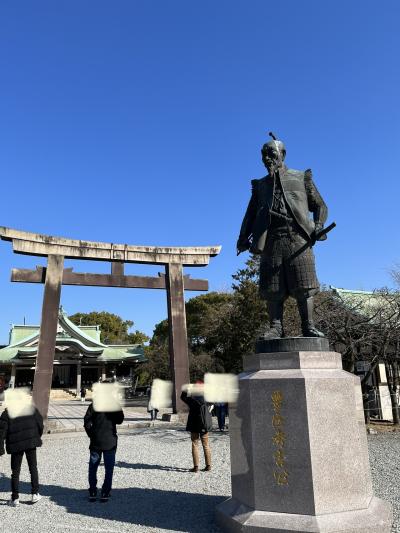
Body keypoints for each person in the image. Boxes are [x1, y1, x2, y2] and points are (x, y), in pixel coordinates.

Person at [237, 132, 328, 338]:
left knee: (304, 284)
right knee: (273, 288)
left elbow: (320, 205)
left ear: (282, 154)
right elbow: (250, 215)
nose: (267, 158)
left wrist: (318, 225)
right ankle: (275, 327)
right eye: (263, 154)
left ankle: (308, 325)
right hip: (270, 240)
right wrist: (242, 237)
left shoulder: (301, 177)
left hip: (298, 237)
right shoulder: (260, 186)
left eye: (271, 153)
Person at [0, 390, 43, 507]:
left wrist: (1, 449)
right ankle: (35, 494)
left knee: (15, 472)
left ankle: (15, 498)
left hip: (15, 445)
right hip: (31, 442)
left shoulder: (7, 413)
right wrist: (37, 436)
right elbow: (40, 424)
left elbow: (1, 432)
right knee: (33, 468)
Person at [83, 396, 124, 502]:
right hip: (110, 440)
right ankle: (105, 492)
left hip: (96, 440)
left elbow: (86, 421)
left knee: (93, 467)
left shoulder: (94, 405)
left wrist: (91, 435)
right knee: (109, 469)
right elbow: (120, 420)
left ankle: (93, 491)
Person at [180, 382, 212, 473]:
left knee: (195, 444)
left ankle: (196, 467)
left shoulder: (191, 399)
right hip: (204, 423)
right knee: (206, 445)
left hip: (194, 424)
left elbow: (183, 397)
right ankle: (208, 465)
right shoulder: (206, 398)